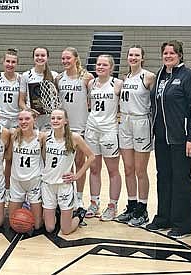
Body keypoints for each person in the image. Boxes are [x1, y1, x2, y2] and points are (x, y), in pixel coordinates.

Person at [147, 40, 191, 239]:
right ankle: (164, 217)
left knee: (181, 180)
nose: (168, 56)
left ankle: (183, 224)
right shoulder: (160, 76)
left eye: (172, 53)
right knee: (163, 177)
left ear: (180, 55)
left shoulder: (190, 77)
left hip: (181, 140)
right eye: (165, 53)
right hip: (162, 139)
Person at [116, 45, 156, 226]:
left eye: (137, 55)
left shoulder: (148, 77)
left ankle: (143, 208)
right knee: (128, 169)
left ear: (142, 58)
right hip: (124, 122)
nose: (133, 57)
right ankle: (131, 205)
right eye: (130, 55)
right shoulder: (124, 78)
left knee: (140, 170)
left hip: (141, 123)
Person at [41, 108, 95, 235]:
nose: (55, 120)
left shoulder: (74, 137)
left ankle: (79, 214)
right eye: (53, 118)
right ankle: (60, 212)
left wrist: (77, 175)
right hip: (48, 185)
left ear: (66, 121)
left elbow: (92, 156)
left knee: (66, 230)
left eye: (59, 118)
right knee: (49, 228)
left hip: (64, 185)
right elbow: (44, 158)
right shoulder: (45, 136)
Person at [84, 54, 123, 221]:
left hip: (109, 131)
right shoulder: (91, 83)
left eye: (104, 65)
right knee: (94, 169)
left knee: (113, 171)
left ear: (111, 68)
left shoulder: (118, 84)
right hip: (92, 130)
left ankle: (112, 206)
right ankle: (94, 202)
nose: (100, 67)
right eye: (98, 64)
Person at [56, 47, 94, 209]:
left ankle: (79, 197)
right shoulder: (58, 78)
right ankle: (66, 194)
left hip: (81, 125)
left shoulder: (87, 78)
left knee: (79, 162)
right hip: (64, 127)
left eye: (68, 58)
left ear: (76, 59)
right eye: (63, 58)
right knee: (65, 163)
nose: (65, 61)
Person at [0, 48, 22, 203]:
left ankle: (8, 190)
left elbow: (22, 101)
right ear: (3, 62)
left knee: (11, 159)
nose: (10, 64)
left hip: (16, 122)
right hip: (1, 121)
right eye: (7, 61)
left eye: (13, 62)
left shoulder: (21, 79)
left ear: (17, 63)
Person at [7, 109, 43, 230]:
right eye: (21, 119)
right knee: (14, 224)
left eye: (27, 119)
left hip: (34, 182)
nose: (23, 122)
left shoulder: (41, 137)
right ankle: (26, 205)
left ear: (34, 119)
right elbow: (8, 157)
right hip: (17, 182)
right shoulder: (14, 135)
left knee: (37, 226)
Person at [19, 46, 58, 131]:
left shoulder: (54, 75)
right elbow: (21, 101)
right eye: (37, 55)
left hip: (49, 118)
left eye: (43, 55)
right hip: (33, 118)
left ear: (47, 57)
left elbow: (57, 99)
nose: (40, 58)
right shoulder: (26, 75)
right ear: (33, 57)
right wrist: (29, 110)